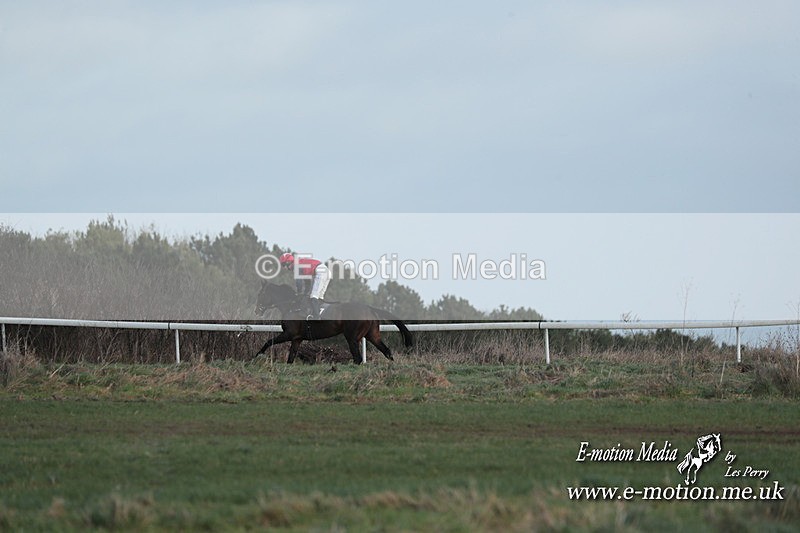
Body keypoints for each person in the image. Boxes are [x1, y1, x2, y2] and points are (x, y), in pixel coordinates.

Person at [279, 253, 331, 319]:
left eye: (283, 265)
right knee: (319, 298)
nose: (284, 268)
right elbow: (307, 283)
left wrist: (299, 293)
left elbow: (299, 282)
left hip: (321, 271)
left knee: (313, 296)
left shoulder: (296, 265)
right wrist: (305, 293)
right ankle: (321, 315)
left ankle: (316, 318)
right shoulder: (300, 264)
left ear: (288, 262)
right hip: (326, 271)